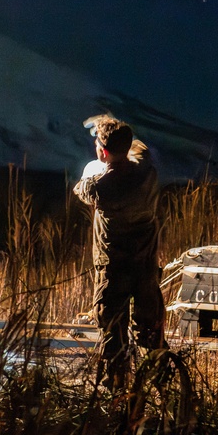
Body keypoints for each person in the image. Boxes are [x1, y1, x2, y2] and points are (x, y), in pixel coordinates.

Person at [73, 115, 167, 389]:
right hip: (146, 265)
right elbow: (140, 150)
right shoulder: (147, 172)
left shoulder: (99, 187)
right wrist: (115, 132)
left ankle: (118, 393)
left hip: (113, 269)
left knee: (113, 331)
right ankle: (165, 387)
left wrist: (97, 166)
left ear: (102, 152)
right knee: (150, 331)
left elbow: (82, 189)